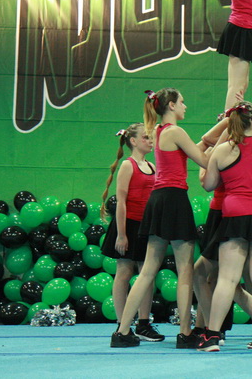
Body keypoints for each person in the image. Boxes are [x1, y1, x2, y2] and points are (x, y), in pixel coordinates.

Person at [112, 89, 210, 348]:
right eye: (182, 102)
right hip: (174, 198)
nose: (185, 106)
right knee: (185, 271)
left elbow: (186, 152)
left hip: (157, 200)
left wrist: (215, 134)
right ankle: (185, 333)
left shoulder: (157, 131)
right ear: (171, 105)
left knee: (147, 270)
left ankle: (122, 331)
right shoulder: (176, 132)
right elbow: (203, 159)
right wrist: (224, 145)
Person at [196, 101, 252, 353]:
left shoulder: (222, 151)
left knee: (227, 278)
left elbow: (209, 185)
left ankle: (212, 336)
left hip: (235, 216)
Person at [100, 123, 163, 342]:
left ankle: (144, 324)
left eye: (151, 137)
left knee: (147, 274)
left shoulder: (152, 166)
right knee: (124, 272)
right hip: (127, 225)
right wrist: (121, 234)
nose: (150, 141)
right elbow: (121, 202)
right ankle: (122, 324)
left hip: (146, 227)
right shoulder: (128, 165)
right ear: (133, 141)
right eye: (145, 137)